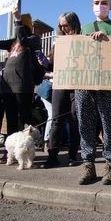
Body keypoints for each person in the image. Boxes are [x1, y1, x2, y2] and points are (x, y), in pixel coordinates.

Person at [75, 0, 111, 185]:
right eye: (97, 2)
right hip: (85, 84)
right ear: (92, 6)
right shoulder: (85, 28)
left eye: (104, 2)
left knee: (109, 123)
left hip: (108, 83)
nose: (100, 5)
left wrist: (106, 42)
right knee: (85, 124)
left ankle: (110, 164)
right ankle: (88, 163)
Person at [0, 7, 41, 163]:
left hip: (22, 86)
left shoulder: (33, 39)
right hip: (7, 87)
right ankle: (10, 153)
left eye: (21, 24)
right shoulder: (12, 42)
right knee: (10, 120)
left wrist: (18, 19)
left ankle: (27, 150)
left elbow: (23, 39)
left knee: (24, 120)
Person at [40, 12, 82, 168]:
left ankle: (73, 156)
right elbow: (52, 65)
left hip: (77, 85)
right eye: (61, 26)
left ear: (74, 23)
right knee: (57, 120)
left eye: (67, 25)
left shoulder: (82, 40)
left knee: (75, 120)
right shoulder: (57, 43)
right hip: (60, 83)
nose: (64, 28)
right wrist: (45, 63)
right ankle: (52, 156)